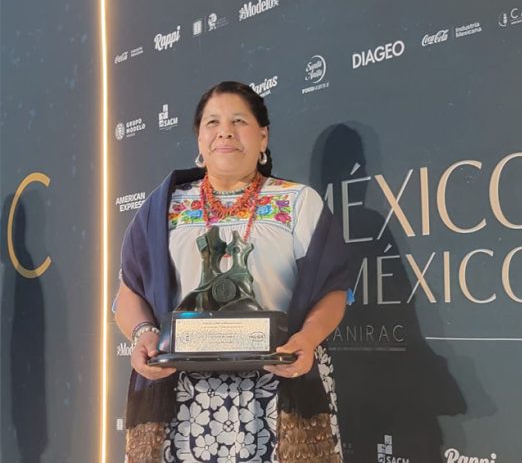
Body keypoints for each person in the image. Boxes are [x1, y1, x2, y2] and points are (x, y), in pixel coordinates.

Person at [114, 81, 349, 463]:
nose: (225, 131)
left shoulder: (298, 203)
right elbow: (130, 291)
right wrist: (143, 335)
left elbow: (332, 291)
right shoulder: (163, 209)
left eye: (239, 120)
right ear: (199, 140)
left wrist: (306, 340)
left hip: (279, 390)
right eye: (213, 122)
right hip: (183, 402)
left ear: (262, 137)